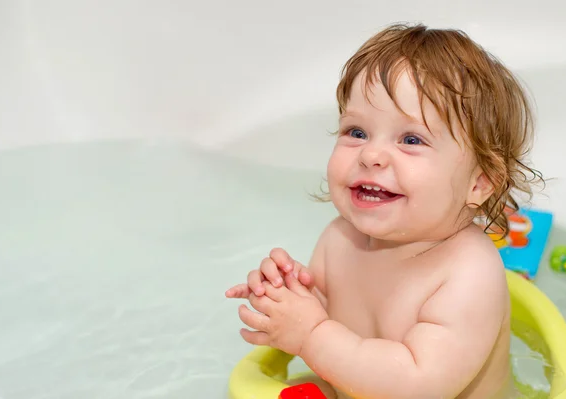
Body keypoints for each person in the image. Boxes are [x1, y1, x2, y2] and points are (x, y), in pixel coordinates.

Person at [225, 22, 542, 398]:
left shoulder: (469, 272)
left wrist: (311, 334)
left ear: (479, 183)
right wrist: (289, 300)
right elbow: (332, 328)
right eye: (356, 132)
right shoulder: (339, 238)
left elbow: (419, 385)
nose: (370, 155)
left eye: (411, 139)